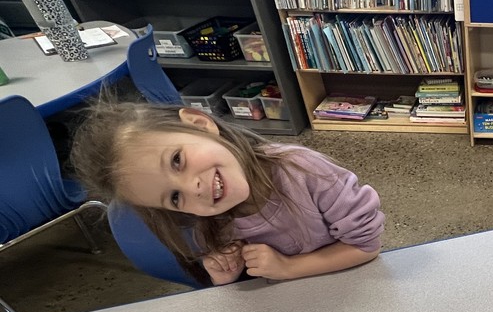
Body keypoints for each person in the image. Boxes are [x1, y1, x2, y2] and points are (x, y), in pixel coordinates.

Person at [71, 99, 384, 286]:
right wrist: (225, 275)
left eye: (177, 161)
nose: (193, 189)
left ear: (199, 123)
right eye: (175, 198)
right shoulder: (210, 221)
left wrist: (288, 268)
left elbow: (367, 247)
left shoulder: (302, 170)